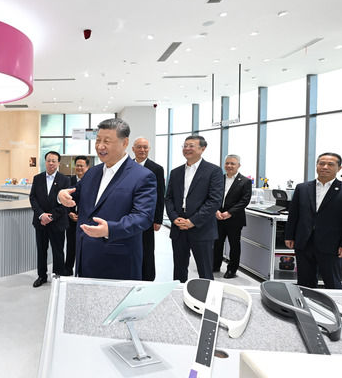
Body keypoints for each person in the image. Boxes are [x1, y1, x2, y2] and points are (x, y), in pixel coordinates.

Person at [58, 118, 156, 280]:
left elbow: (143, 217)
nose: (100, 146)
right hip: (85, 256)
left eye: (107, 141)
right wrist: (61, 195)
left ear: (125, 143)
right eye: (98, 140)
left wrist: (110, 229)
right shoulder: (92, 172)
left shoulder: (143, 176)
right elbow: (75, 194)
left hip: (118, 261)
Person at [284, 152, 342, 289]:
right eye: (321, 163)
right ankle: (306, 302)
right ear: (317, 166)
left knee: (332, 283)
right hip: (304, 243)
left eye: (330, 164)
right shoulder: (302, 188)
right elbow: (294, 215)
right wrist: (289, 235)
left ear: (339, 168)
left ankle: (335, 303)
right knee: (304, 283)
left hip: (332, 245)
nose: (325, 167)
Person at [165, 135, 223, 283]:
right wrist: (174, 218)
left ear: (202, 149)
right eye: (185, 146)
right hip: (179, 228)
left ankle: (207, 296)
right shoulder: (175, 172)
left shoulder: (213, 171)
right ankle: (178, 295)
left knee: (205, 272)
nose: (187, 149)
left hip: (202, 229)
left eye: (191, 146)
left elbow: (214, 201)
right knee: (179, 271)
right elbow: (169, 198)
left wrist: (193, 221)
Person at [29, 151, 70, 287]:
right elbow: (33, 198)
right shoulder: (37, 178)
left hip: (57, 222)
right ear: (45, 162)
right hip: (41, 222)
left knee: (58, 251)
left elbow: (65, 203)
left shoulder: (65, 180)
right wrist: (42, 215)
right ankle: (42, 276)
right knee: (41, 250)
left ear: (58, 163)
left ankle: (58, 277)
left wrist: (51, 217)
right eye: (48, 160)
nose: (51, 163)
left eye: (54, 161)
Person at [212, 154, 252, 279]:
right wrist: (216, 210)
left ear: (238, 165)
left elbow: (244, 200)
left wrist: (229, 212)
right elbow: (212, 196)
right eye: (227, 163)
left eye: (232, 163)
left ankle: (232, 270)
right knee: (217, 243)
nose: (229, 166)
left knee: (234, 245)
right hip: (218, 217)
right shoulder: (219, 179)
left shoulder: (245, 181)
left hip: (234, 219)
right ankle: (215, 265)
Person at [131, 137, 165, 281]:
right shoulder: (126, 166)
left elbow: (160, 195)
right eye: (139, 147)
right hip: (128, 215)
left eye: (145, 147)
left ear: (149, 149)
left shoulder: (156, 169)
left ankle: (148, 277)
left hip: (147, 217)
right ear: (133, 149)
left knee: (147, 248)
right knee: (130, 247)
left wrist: (158, 219)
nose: (142, 150)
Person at [64, 155, 89, 276]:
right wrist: (69, 213)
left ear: (87, 167)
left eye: (81, 166)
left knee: (85, 246)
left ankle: (82, 271)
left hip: (86, 220)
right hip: (71, 219)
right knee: (70, 245)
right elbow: (64, 199)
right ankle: (68, 268)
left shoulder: (91, 181)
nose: (79, 168)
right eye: (77, 165)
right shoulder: (69, 181)